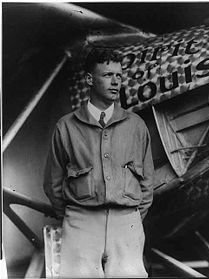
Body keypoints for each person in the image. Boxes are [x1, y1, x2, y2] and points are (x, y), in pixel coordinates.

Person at [43, 47, 154, 278]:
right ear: (89, 80)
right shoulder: (66, 127)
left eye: (119, 76)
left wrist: (130, 217)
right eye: (107, 75)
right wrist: (75, 219)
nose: (116, 82)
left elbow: (147, 184)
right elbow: (53, 184)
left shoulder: (136, 126)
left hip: (127, 225)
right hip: (81, 224)